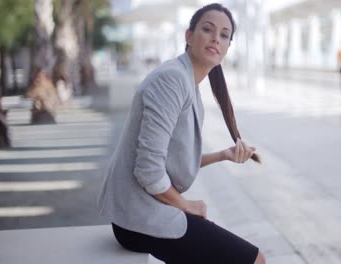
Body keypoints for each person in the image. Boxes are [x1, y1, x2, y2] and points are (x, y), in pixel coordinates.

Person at [97, 3, 266, 264]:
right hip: (139, 218)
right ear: (189, 36)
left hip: (145, 210)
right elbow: (149, 170)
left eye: (224, 35)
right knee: (255, 260)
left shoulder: (189, 84)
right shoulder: (173, 80)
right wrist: (186, 205)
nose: (215, 38)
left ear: (227, 48)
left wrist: (223, 155)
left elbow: (171, 160)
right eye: (207, 29)